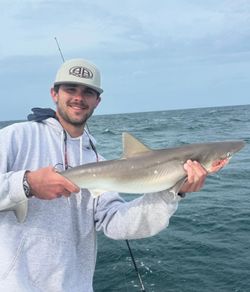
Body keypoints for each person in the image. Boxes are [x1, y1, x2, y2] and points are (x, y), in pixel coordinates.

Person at [0, 58, 226, 292]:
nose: (79, 97)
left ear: (97, 101)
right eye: (70, 89)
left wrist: (171, 193)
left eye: (88, 92)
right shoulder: (15, 138)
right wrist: (26, 184)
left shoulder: (97, 162)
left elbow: (118, 225)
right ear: (54, 93)